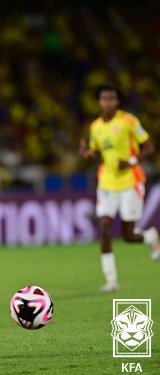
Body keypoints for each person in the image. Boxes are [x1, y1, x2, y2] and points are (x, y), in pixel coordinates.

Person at [80, 83, 160, 293]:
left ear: (118, 101)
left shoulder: (128, 121)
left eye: (112, 99)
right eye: (104, 99)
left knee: (128, 235)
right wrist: (88, 154)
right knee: (105, 227)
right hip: (107, 182)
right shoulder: (95, 126)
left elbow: (149, 146)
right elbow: (97, 152)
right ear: (99, 102)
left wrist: (132, 161)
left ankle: (150, 236)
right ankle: (111, 281)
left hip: (130, 181)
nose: (108, 102)